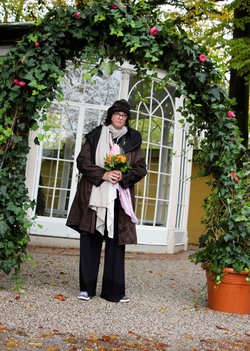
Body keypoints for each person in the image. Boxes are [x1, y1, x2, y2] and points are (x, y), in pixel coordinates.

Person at [66, 99, 147, 303]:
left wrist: (122, 176)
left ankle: (114, 291)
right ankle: (86, 289)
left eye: (124, 115)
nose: (120, 118)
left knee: (115, 243)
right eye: (117, 114)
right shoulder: (95, 135)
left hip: (120, 198)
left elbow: (140, 167)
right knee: (90, 240)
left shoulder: (133, 140)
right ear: (111, 115)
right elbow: (82, 161)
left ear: (127, 119)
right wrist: (103, 174)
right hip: (95, 195)